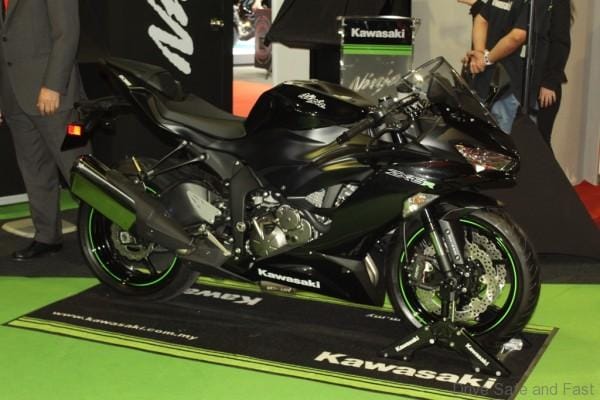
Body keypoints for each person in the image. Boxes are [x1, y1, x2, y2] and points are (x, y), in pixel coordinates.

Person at [0, 0, 90, 260]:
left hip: (57, 98)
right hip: (14, 97)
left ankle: (108, 232)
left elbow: (67, 33)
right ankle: (47, 237)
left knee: (81, 170)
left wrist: (53, 86)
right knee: (35, 171)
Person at [460, 0, 529, 134]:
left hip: (505, 84)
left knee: (498, 139)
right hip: (483, 78)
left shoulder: (531, 4)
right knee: (476, 135)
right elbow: (481, 18)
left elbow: (517, 37)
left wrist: (485, 59)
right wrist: (479, 53)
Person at [529, 0, 572, 147]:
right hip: (525, 81)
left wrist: (550, 82)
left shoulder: (558, 3)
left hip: (543, 84)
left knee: (539, 142)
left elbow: (560, 42)